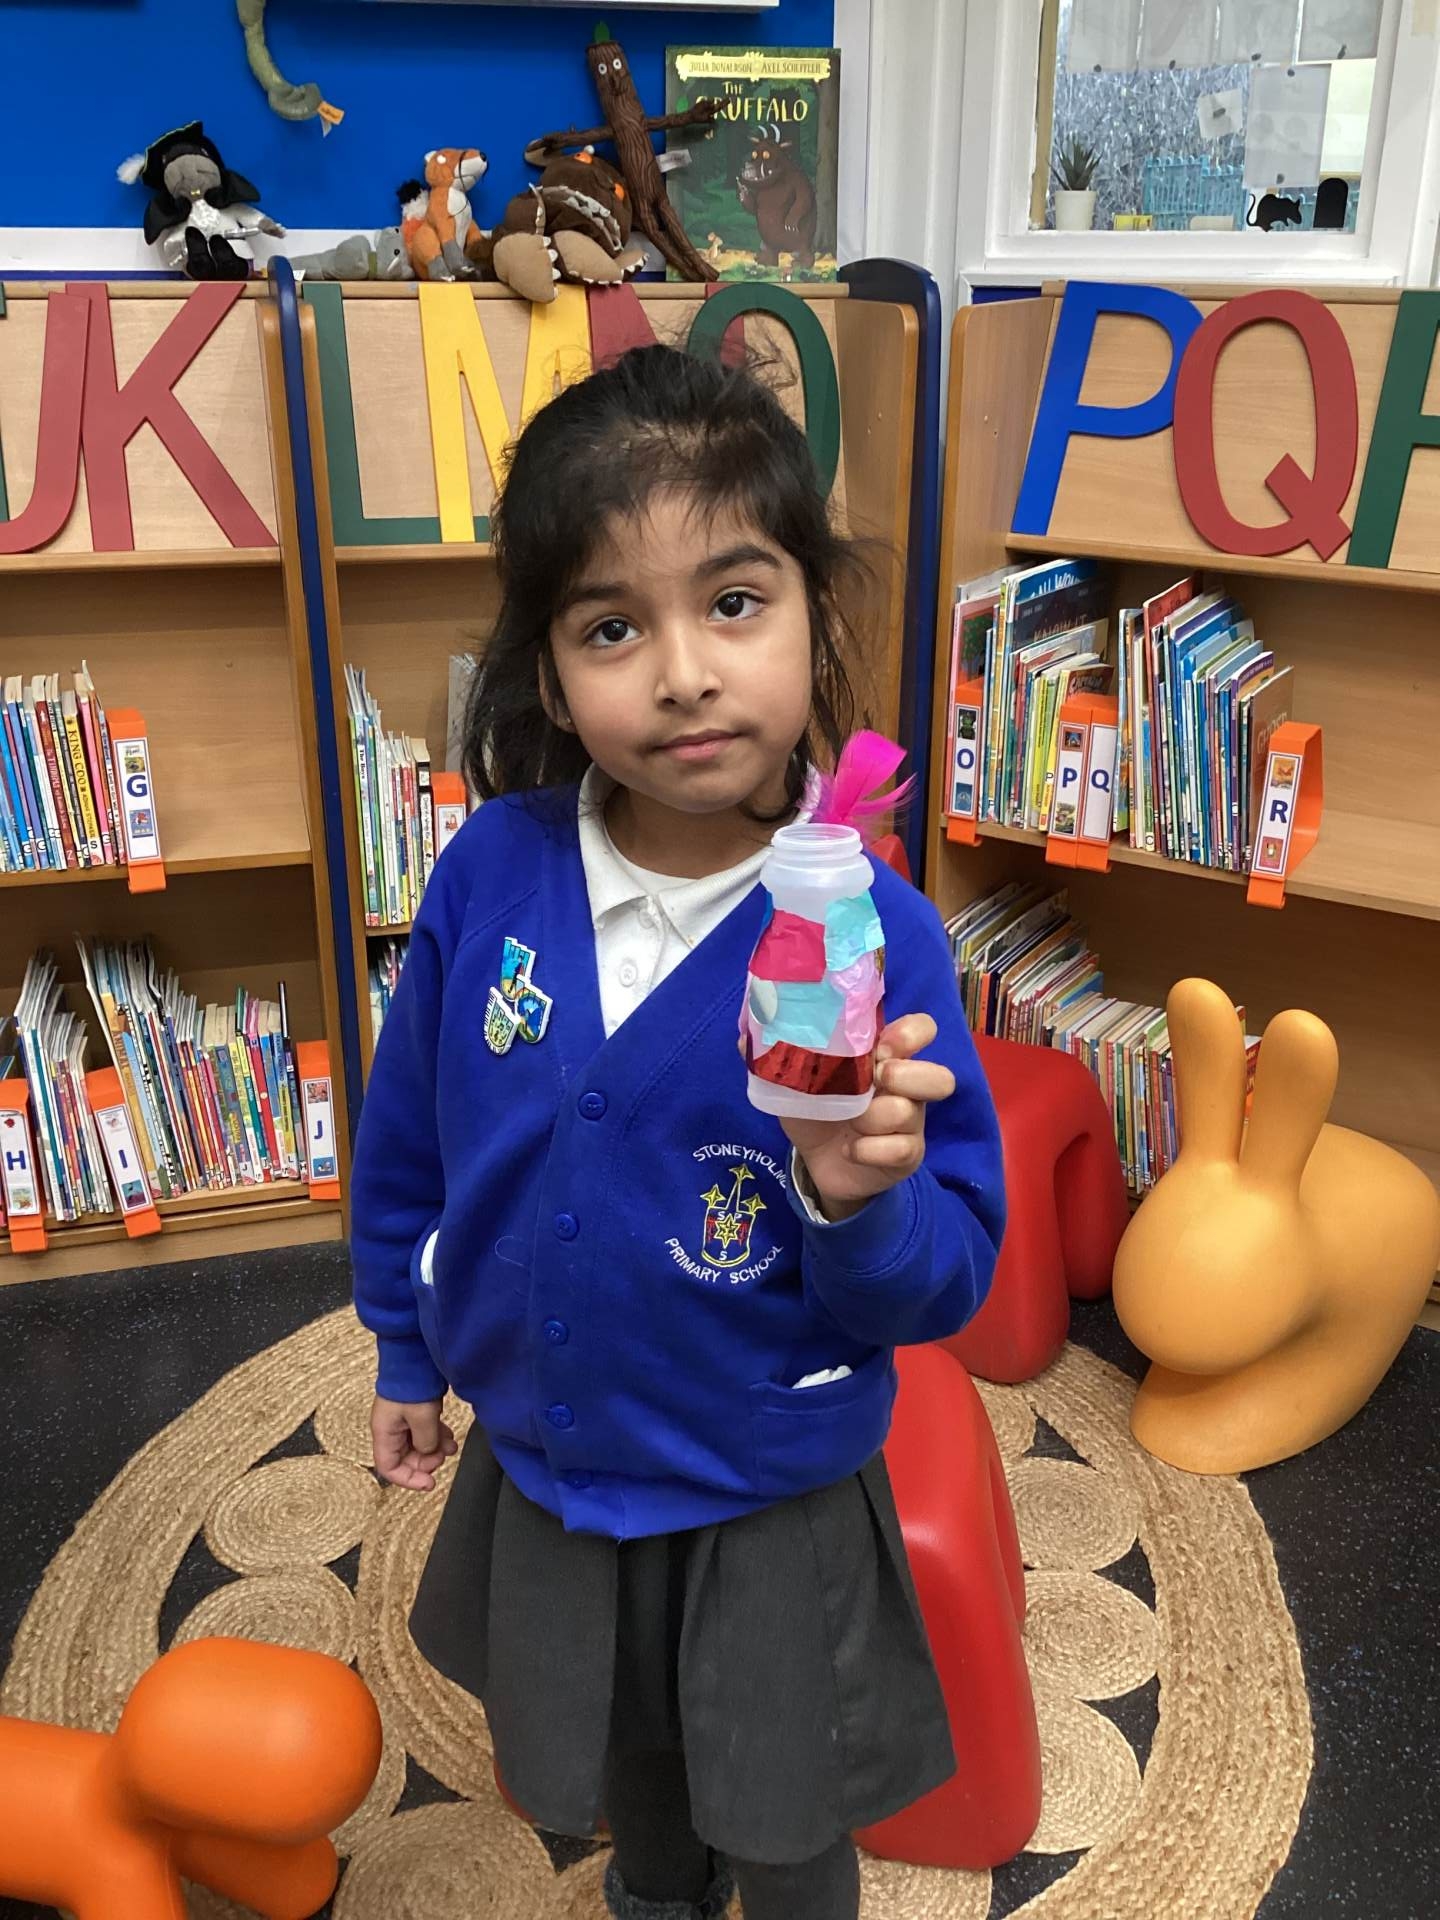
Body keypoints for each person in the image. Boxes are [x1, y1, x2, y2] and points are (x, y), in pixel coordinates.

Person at [350, 344, 1005, 1920]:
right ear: (546, 672)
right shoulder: (489, 875)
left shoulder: (880, 935)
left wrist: (854, 1199)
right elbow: (413, 1137)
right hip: (556, 1454)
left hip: (763, 1474)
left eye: (734, 601)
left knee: (783, 1810)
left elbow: (947, 1278)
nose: (685, 674)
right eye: (611, 627)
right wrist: (402, 1347)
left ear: (813, 619)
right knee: (626, 1771)